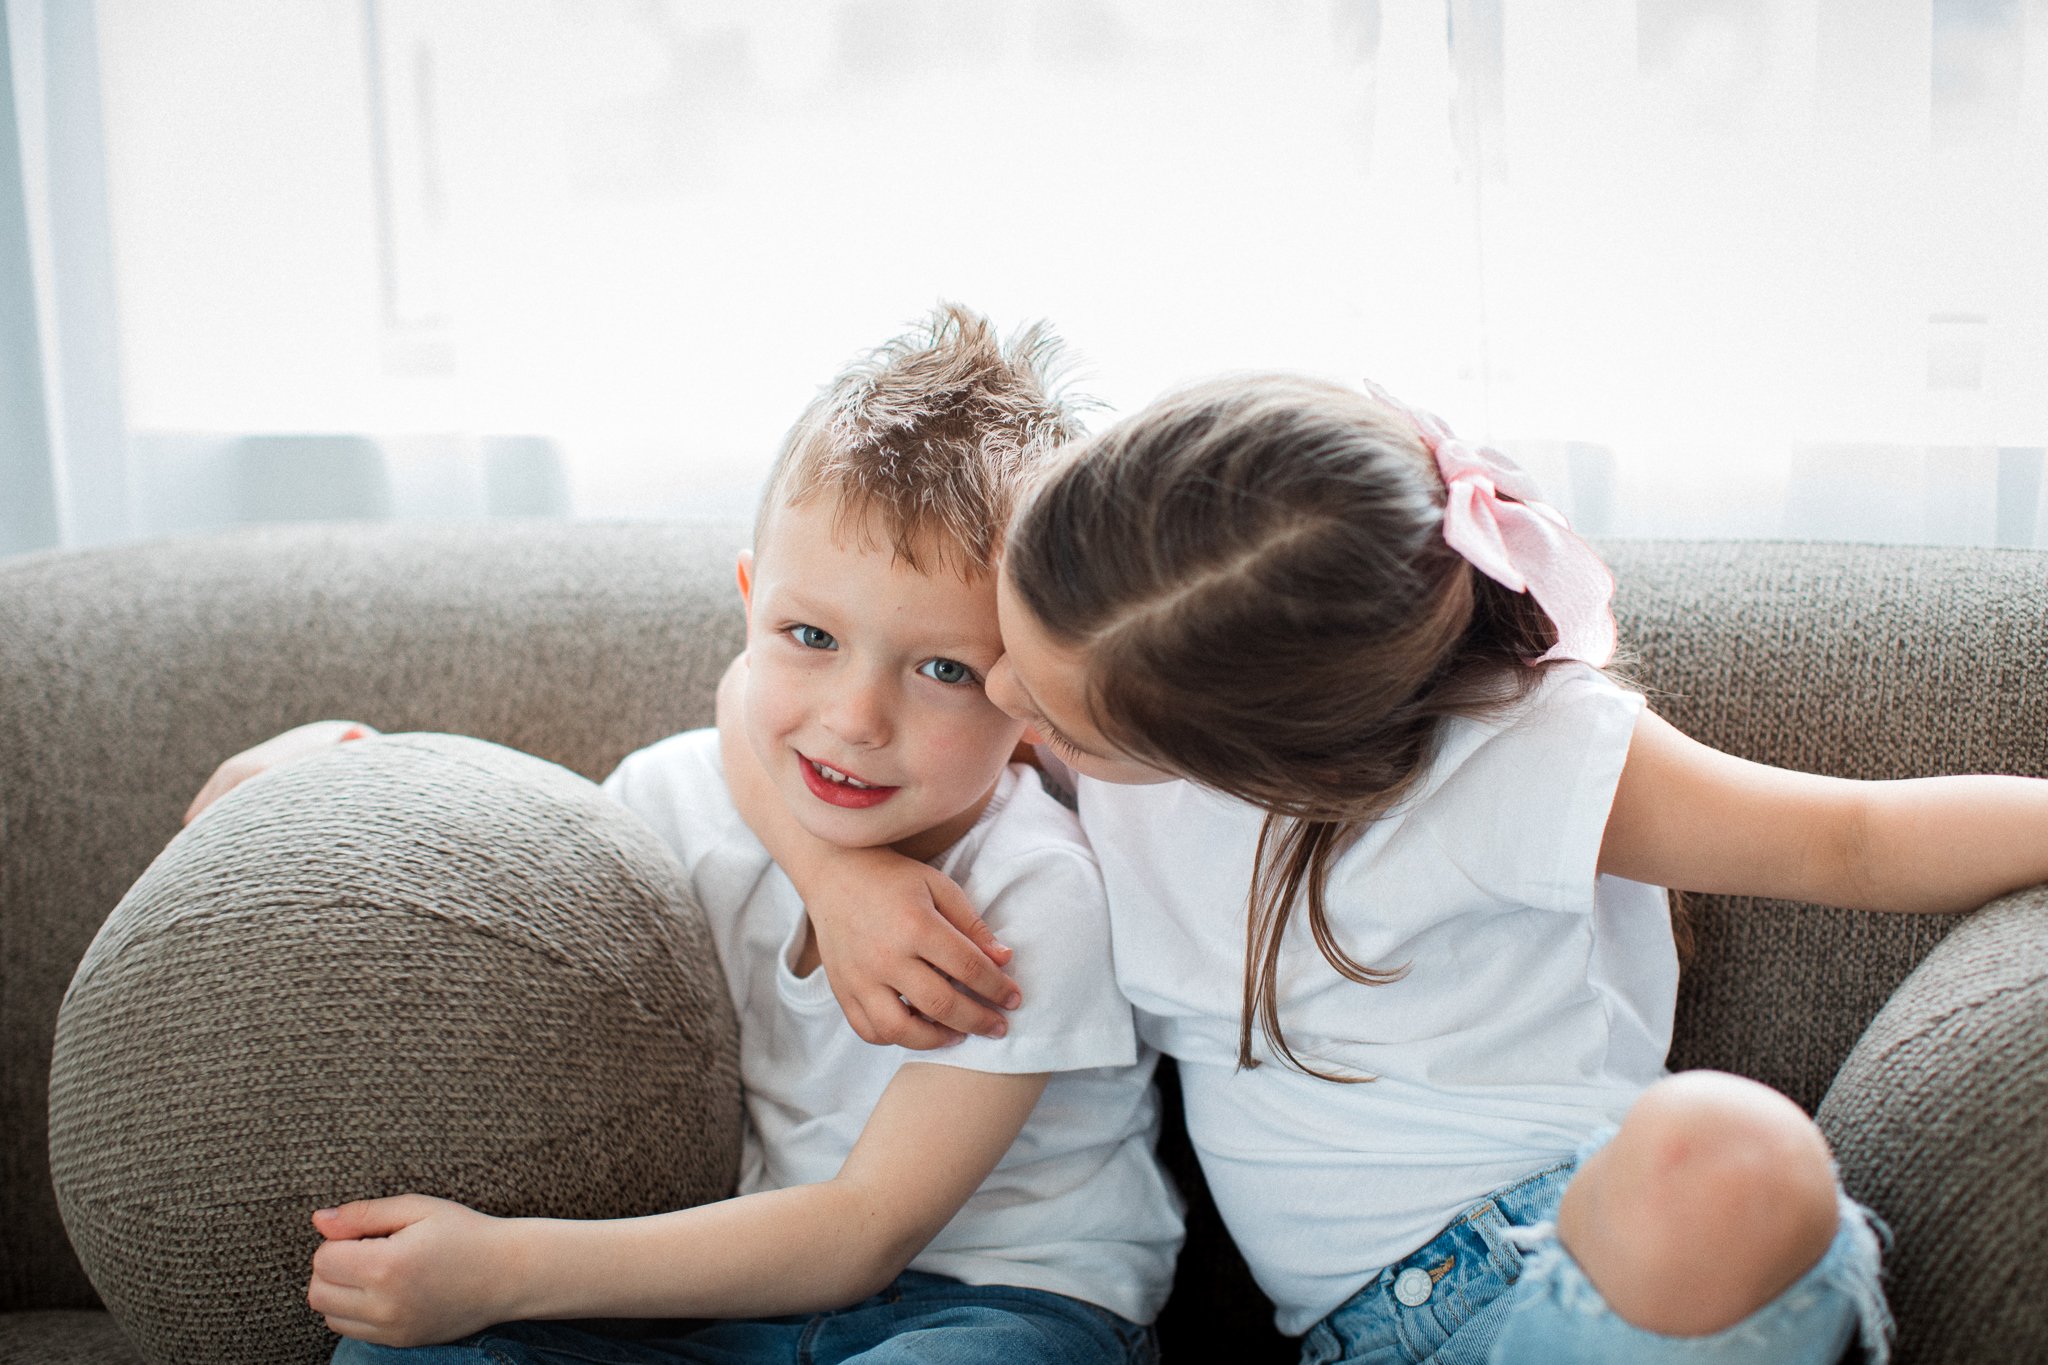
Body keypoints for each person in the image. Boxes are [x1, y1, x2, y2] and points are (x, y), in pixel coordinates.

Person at [717, 372, 2048, 1365]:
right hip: (1372, 1339)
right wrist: (835, 878)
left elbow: (1854, 835)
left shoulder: (1513, 756)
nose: (1001, 698)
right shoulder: (1097, 668)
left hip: (1572, 1270)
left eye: (1048, 712)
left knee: (1732, 1147)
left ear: (1244, 757)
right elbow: (750, 694)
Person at [187, 305, 1184, 1364]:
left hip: (1001, 1305)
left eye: (940, 669)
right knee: (407, 1355)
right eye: (809, 636)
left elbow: (864, 1233)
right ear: (749, 602)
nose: (853, 719)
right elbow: (505, 881)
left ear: (1024, 687)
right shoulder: (675, 796)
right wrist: (334, 777)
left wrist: (504, 1268)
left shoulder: (1036, 891)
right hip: (737, 1310)